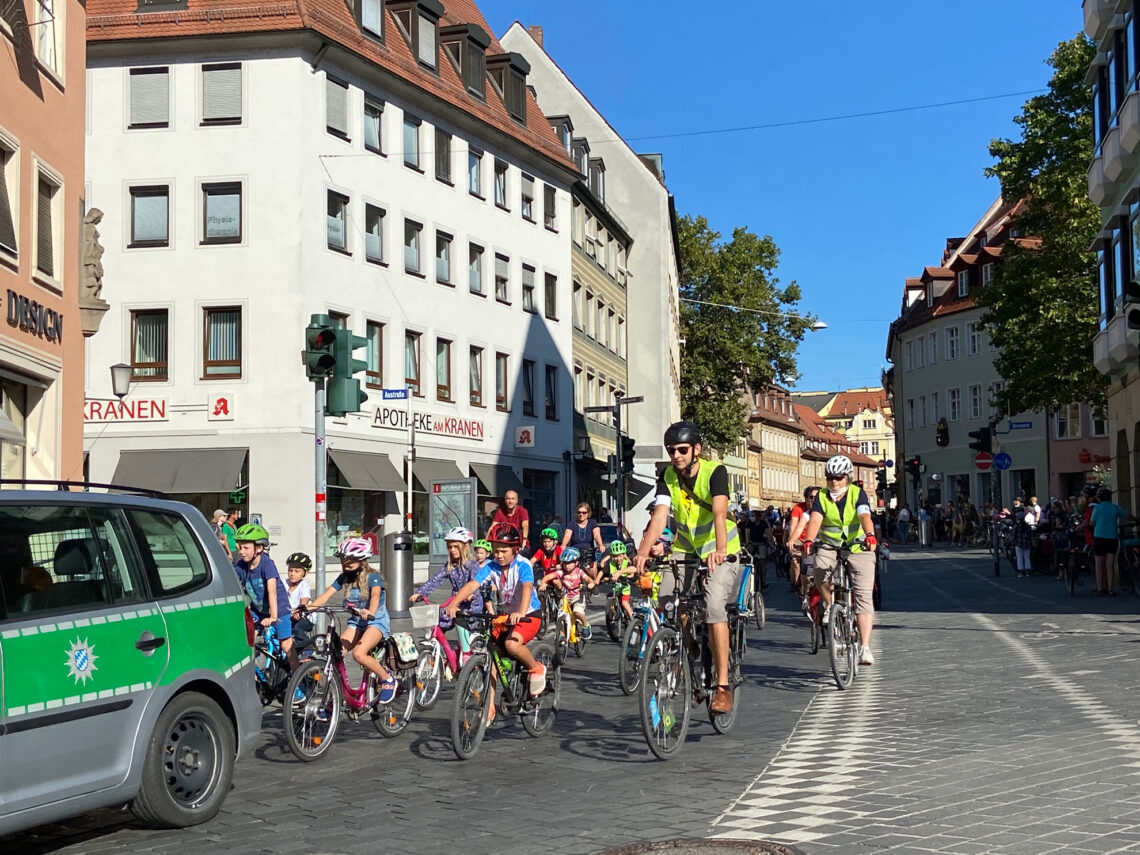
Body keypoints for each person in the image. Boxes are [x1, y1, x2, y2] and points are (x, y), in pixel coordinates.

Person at [635, 421, 743, 715]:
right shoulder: (668, 475)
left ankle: (722, 687)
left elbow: (719, 513)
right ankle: (688, 643)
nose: (676, 455)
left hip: (720, 547)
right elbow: (660, 515)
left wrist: (720, 551)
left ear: (696, 449)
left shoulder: (715, 472)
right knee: (666, 599)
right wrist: (642, 553)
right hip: (686, 547)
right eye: (671, 451)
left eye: (682, 450)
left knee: (713, 607)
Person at [445, 522, 547, 708]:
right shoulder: (491, 566)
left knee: (511, 644)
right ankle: (489, 706)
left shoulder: (523, 564)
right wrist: (454, 603)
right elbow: (473, 584)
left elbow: (527, 588)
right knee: (491, 653)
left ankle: (536, 668)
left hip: (529, 614)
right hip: (506, 616)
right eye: (495, 551)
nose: (498, 555)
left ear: (515, 549)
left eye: (503, 551)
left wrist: (521, 612)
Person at [800, 455, 878, 666]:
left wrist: (870, 535)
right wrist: (808, 540)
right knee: (819, 570)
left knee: (863, 595)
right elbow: (816, 518)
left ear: (847, 477)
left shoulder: (857, 493)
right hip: (829, 546)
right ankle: (830, 605)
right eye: (830, 478)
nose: (834, 482)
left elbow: (864, 516)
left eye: (839, 478)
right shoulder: (822, 496)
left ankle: (865, 648)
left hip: (858, 546)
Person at [305, 537, 397, 703]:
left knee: (359, 654)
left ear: (362, 561)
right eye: (342, 564)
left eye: (349, 564)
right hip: (356, 623)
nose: (345, 567)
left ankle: (387, 679)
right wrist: (305, 610)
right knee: (335, 653)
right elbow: (325, 596)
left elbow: (375, 595)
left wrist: (370, 611)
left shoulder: (373, 577)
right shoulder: (343, 578)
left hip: (376, 622)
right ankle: (336, 696)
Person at [410, 527, 482, 665]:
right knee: (438, 621)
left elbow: (476, 583)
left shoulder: (473, 566)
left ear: (465, 547)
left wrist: (471, 594)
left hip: (471, 605)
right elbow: (435, 579)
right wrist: (420, 592)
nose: (452, 550)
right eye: (450, 547)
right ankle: (440, 655)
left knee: (461, 621)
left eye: (456, 546)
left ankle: (466, 654)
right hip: (453, 604)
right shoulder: (450, 566)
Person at [233, 523, 294, 667]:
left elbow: (272, 592)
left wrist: (273, 616)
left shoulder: (267, 564)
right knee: (247, 643)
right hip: (258, 610)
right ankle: (252, 678)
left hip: (278, 608)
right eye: (239, 547)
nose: (241, 551)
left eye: (246, 547)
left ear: (259, 548)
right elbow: (231, 583)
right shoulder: (241, 566)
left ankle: (299, 680)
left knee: (286, 645)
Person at [539, 546, 591, 639]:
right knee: (560, 617)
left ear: (576, 562)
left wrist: (590, 584)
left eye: (569, 563)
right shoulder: (561, 572)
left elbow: (588, 579)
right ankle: (562, 635)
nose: (567, 565)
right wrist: (543, 583)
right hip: (565, 597)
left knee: (577, 612)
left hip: (577, 596)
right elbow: (548, 577)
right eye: (565, 563)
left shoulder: (579, 572)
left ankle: (585, 625)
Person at [1090, 487, 1133, 596]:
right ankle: (1110, 589)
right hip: (1112, 538)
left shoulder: (1097, 508)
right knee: (1110, 564)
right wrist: (1137, 520)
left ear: (1100, 498)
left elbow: (1092, 523)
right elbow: (1127, 516)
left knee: (1099, 564)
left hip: (1099, 537)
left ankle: (1100, 588)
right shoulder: (1115, 508)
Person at [786, 486, 819, 598]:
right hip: (801, 539)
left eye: (816, 497)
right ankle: (796, 585)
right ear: (806, 498)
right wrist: (792, 540)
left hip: (817, 539)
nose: (813, 500)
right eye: (811, 497)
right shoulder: (799, 509)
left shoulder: (822, 508)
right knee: (796, 561)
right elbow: (794, 526)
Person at [562, 502, 605, 584]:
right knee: (567, 567)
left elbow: (596, 535)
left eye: (584, 512)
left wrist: (600, 545)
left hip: (588, 551)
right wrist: (563, 545)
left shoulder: (592, 523)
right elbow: (567, 535)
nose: (581, 514)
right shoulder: (572, 523)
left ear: (588, 513)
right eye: (579, 512)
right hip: (575, 551)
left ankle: (593, 584)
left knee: (592, 569)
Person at [282, 552, 313, 667]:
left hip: (305, 617)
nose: (292, 574)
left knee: (296, 627)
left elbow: (304, 599)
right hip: (288, 615)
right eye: (290, 570)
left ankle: (308, 650)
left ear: (304, 573)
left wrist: (300, 609)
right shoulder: (284, 583)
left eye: (297, 571)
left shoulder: (304, 585)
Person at [598, 540, 636, 621]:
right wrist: (597, 580)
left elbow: (632, 571)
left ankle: (632, 618)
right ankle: (614, 615)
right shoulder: (611, 564)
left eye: (620, 556)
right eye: (615, 556)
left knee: (624, 603)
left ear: (623, 555)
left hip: (624, 588)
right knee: (610, 600)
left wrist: (629, 576)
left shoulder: (626, 563)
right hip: (615, 589)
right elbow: (602, 571)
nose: (618, 559)